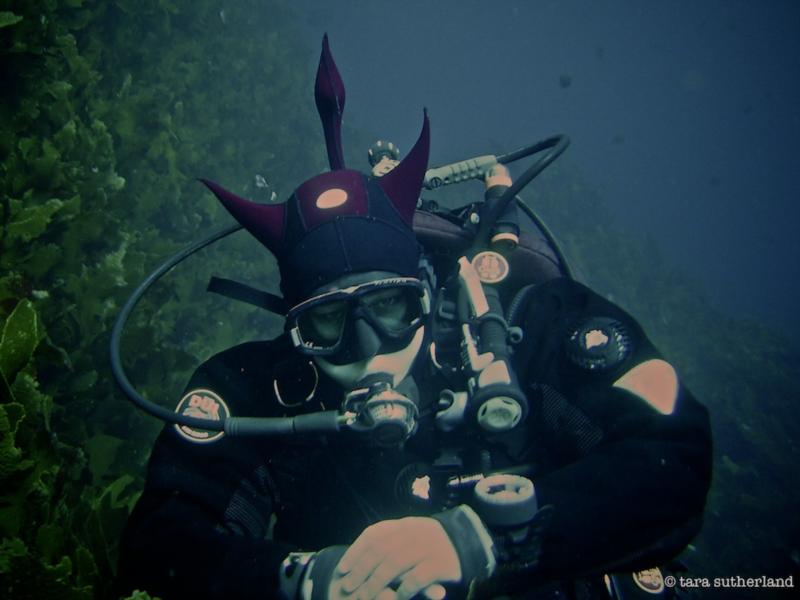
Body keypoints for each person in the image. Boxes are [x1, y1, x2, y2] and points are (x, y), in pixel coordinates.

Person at [115, 37, 712, 600]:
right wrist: (301, 580)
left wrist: (483, 540)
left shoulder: (530, 327)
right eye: (328, 323)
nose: (370, 346)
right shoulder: (256, 392)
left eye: (390, 306)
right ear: (296, 328)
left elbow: (672, 458)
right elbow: (160, 543)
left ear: (425, 290)